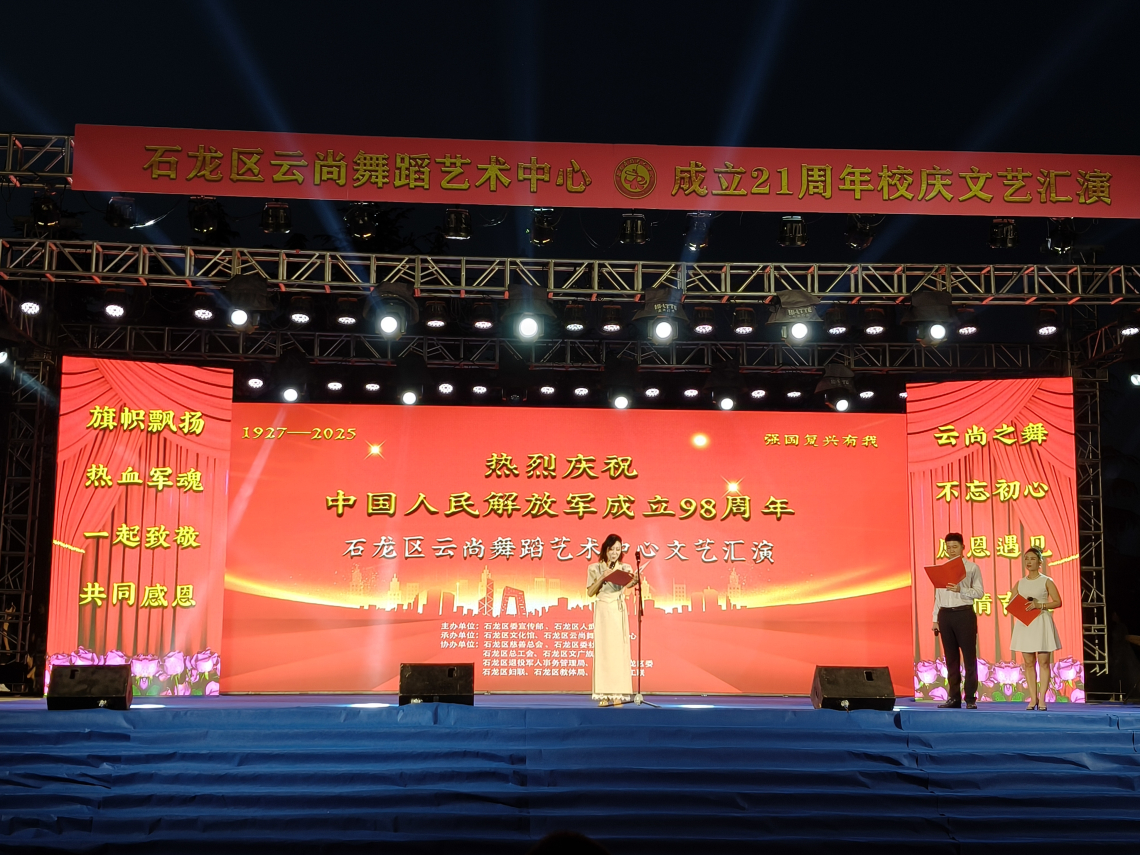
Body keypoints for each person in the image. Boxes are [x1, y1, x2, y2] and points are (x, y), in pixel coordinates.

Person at [932, 532, 985, 709]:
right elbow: (938, 597)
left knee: (969, 658)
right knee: (951, 659)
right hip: (945, 615)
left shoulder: (972, 568)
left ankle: (970, 698)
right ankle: (953, 698)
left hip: (964, 614)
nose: (951, 550)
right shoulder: (941, 569)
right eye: (948, 547)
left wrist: (960, 590)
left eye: (955, 547)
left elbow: (979, 593)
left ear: (963, 547)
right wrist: (935, 619)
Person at [1007, 546, 1063, 710]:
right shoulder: (1020, 583)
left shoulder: (1046, 581)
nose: (1029, 562)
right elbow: (1011, 602)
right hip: (1025, 623)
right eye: (1026, 559)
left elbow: (1058, 602)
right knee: (1028, 662)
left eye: (1032, 558)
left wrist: (1040, 605)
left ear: (1040, 562)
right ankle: (1033, 698)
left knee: (1044, 662)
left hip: (1041, 621)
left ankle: (1043, 698)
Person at [586, 534, 636, 707]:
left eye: (618, 549)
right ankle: (603, 694)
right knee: (603, 651)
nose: (615, 553)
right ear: (605, 550)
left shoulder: (625, 567)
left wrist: (634, 580)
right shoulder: (594, 568)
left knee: (618, 652)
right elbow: (590, 592)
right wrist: (602, 577)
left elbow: (628, 585)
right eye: (612, 549)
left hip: (617, 609)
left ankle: (617, 695)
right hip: (602, 609)